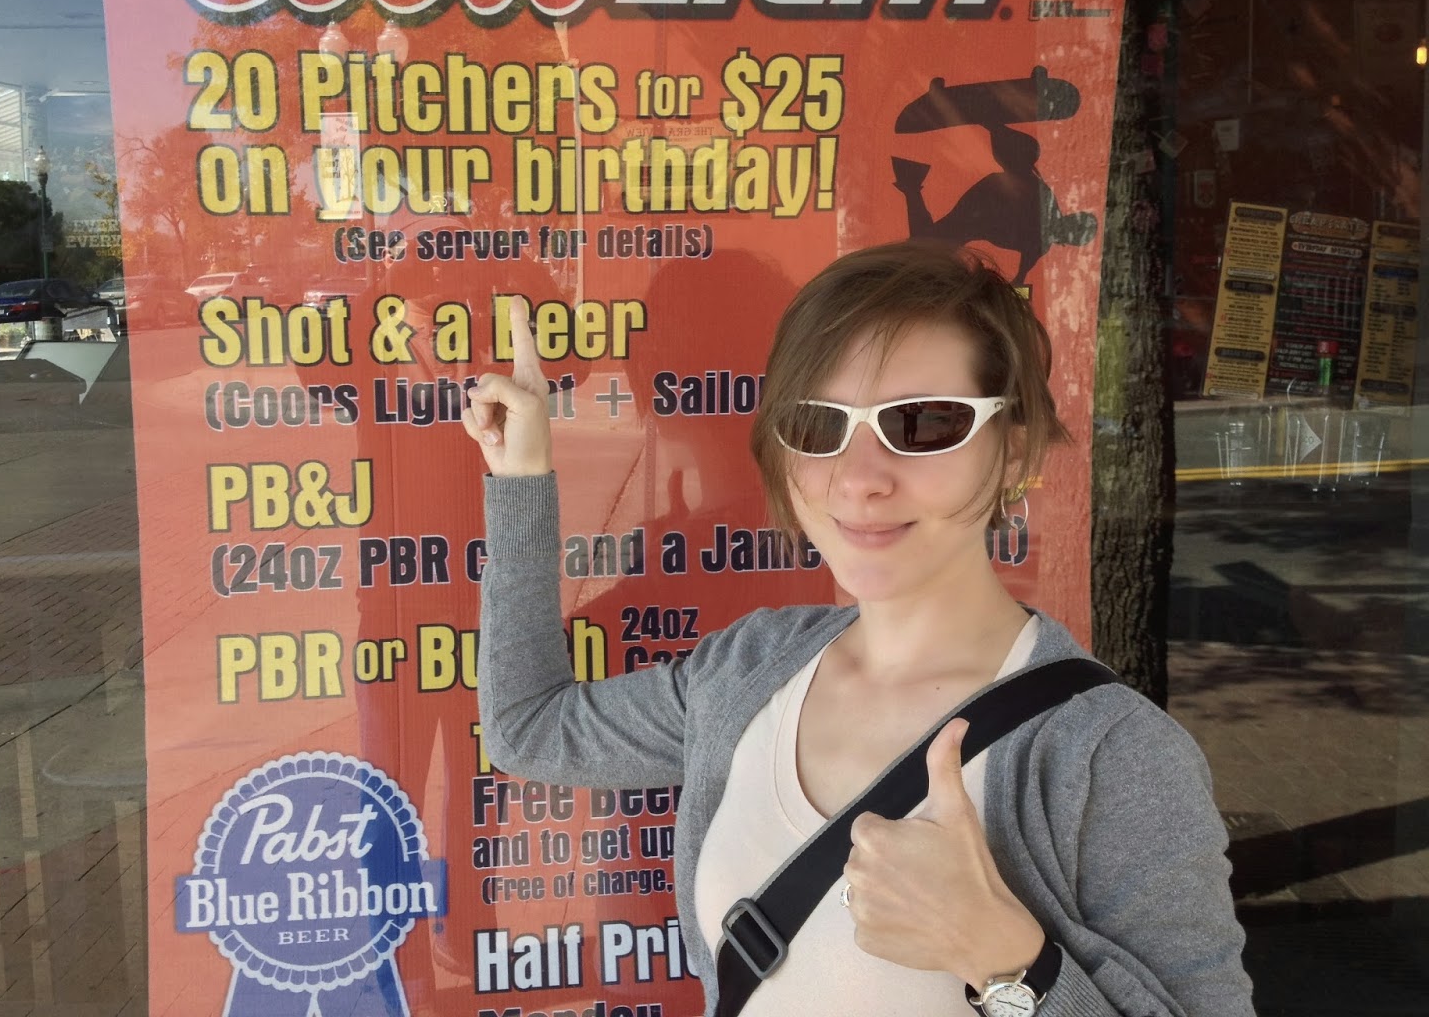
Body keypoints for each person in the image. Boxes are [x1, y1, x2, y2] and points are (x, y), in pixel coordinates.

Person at [462, 240, 1253, 1017]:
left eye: (923, 424)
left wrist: (1006, 962)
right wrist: (522, 476)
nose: (859, 478)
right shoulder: (751, 669)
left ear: (1013, 452)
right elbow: (530, 727)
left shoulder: (1107, 754)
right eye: (819, 426)